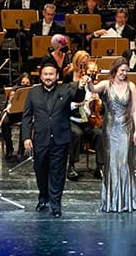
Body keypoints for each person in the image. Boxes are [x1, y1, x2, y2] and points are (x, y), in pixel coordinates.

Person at [21, 58, 89, 217]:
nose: (48, 77)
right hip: (40, 139)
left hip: (60, 138)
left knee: (57, 173)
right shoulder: (33, 92)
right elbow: (26, 117)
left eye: (51, 74)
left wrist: (80, 86)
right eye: (45, 74)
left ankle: (56, 203)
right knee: (41, 171)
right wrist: (26, 137)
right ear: (40, 76)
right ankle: (43, 196)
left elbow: (78, 98)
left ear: (57, 75)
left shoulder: (65, 89)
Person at [86, 56, 136, 212]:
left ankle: (125, 201)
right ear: (115, 70)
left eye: (126, 70)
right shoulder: (106, 84)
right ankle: (111, 201)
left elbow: (134, 109)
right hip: (110, 129)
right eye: (122, 70)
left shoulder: (131, 86)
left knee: (124, 162)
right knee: (111, 162)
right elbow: (92, 89)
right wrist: (89, 81)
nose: (124, 73)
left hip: (126, 127)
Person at [67, 61, 104, 181]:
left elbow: (103, 110)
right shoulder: (73, 86)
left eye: (95, 72)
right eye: (90, 72)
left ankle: (100, 167)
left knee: (99, 134)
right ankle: (71, 166)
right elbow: (64, 105)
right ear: (84, 72)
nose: (92, 75)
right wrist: (76, 104)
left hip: (88, 121)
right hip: (73, 120)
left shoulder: (97, 89)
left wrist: (99, 102)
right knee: (77, 133)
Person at [1, 72, 33, 162]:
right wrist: (10, 101)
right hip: (12, 113)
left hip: (25, 114)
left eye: (27, 83)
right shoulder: (15, 90)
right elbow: (9, 105)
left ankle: (21, 152)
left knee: (25, 124)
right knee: (5, 122)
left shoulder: (33, 91)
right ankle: (9, 149)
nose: (25, 85)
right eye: (23, 83)